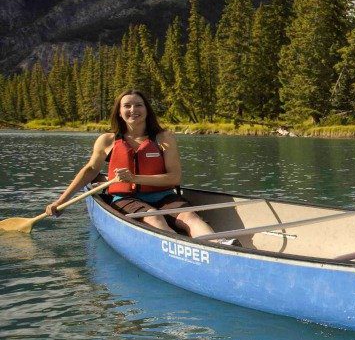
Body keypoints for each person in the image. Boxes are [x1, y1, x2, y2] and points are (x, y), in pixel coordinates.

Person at [46, 90, 228, 242]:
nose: (133, 110)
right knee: (154, 217)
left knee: (190, 217)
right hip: (125, 198)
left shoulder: (164, 138)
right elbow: (90, 171)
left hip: (163, 195)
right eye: (127, 106)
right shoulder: (107, 140)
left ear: (147, 110)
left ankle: (220, 244)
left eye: (139, 105)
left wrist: (134, 178)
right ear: (119, 112)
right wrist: (60, 202)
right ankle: (181, 248)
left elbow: (175, 178)